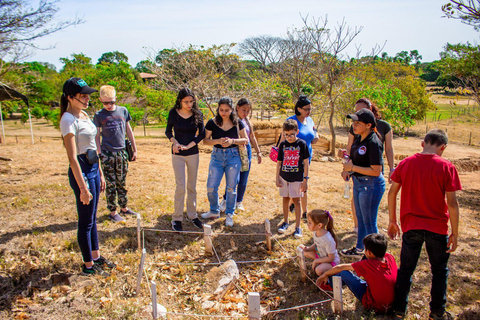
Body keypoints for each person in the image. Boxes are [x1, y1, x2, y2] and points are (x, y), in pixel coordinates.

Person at [387, 129, 461, 320]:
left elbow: (392, 192)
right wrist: (455, 232)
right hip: (438, 228)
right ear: (443, 148)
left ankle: (399, 310)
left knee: (406, 270)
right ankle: (437, 313)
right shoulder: (447, 167)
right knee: (439, 271)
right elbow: (452, 203)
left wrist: (393, 221)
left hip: (411, 226)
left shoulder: (406, 163)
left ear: (422, 143)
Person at [59, 77, 115, 276]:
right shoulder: (67, 120)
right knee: (85, 222)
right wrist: (83, 188)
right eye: (83, 96)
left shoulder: (83, 114)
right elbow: (73, 158)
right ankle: (88, 265)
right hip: (80, 170)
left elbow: (93, 146)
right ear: (70, 97)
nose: (87, 99)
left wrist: (99, 172)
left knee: (92, 218)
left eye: (88, 95)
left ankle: (96, 256)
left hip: (92, 167)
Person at [340, 98, 395, 233]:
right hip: (358, 170)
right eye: (356, 111)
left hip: (373, 169)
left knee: (369, 208)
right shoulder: (356, 127)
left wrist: (392, 168)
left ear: (370, 110)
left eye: (361, 110)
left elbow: (389, 149)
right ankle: (358, 227)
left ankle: (369, 235)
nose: (358, 114)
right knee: (357, 199)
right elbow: (350, 147)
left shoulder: (384, 126)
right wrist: (346, 166)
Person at [340, 108, 386, 258]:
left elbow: (376, 170)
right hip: (359, 182)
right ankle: (360, 248)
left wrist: (352, 167)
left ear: (368, 125)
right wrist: (346, 158)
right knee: (361, 218)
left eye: (358, 123)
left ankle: (377, 255)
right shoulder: (359, 138)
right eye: (353, 122)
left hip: (371, 185)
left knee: (370, 221)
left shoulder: (373, 142)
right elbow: (358, 159)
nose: (354, 125)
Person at [317, 233, 397, 314]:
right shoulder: (390, 258)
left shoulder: (368, 264)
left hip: (373, 306)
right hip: (393, 305)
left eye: (364, 249)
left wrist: (325, 274)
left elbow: (340, 267)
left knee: (344, 273)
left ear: (369, 252)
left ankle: (328, 285)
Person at [201, 97, 248, 227]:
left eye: (227, 110)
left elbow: (245, 140)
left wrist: (232, 141)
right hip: (217, 156)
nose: (223, 112)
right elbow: (205, 140)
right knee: (211, 186)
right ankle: (214, 210)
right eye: (221, 110)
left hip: (233, 156)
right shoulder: (212, 122)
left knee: (231, 188)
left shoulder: (237, 122)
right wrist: (218, 141)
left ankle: (229, 214)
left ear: (232, 110)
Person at [94, 85, 138, 224]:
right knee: (111, 183)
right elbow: (96, 135)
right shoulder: (98, 115)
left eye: (112, 102)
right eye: (105, 102)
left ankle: (124, 208)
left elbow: (129, 130)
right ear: (100, 100)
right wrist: (100, 152)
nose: (109, 105)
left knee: (122, 182)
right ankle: (113, 211)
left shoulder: (123, 111)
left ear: (116, 99)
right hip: (107, 153)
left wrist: (134, 149)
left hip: (122, 152)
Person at [165, 88, 205, 232]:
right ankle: (176, 218)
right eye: (186, 102)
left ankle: (192, 215)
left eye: (191, 101)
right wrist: (175, 143)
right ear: (180, 101)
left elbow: (202, 134)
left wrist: (190, 145)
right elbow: (168, 131)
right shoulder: (173, 113)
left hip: (193, 153)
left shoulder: (197, 114)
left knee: (192, 186)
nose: (189, 104)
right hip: (178, 154)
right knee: (180, 186)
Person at [219, 98, 262, 212]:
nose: (246, 113)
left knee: (244, 178)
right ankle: (225, 200)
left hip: (246, 150)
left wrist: (258, 152)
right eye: (244, 110)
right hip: (234, 150)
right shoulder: (231, 119)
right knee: (234, 179)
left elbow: (251, 137)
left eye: (248, 110)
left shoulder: (247, 120)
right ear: (237, 107)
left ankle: (239, 201)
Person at [276, 119, 310, 238]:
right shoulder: (283, 145)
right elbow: (279, 162)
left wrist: (305, 179)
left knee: (297, 201)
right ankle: (285, 222)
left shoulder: (302, 144)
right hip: (284, 177)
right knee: (285, 199)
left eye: (292, 134)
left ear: (297, 131)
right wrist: (277, 177)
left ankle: (298, 227)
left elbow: (306, 163)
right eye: (286, 135)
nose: (289, 137)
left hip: (297, 178)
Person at [287, 95, 319, 219]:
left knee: (303, 183)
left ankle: (298, 206)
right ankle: (303, 211)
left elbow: (314, 132)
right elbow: (285, 138)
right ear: (299, 109)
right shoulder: (291, 120)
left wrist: (316, 136)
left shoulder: (310, 120)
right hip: (293, 158)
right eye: (306, 109)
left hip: (307, 157)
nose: (309, 112)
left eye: (310, 109)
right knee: (297, 183)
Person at [299, 209, 340, 288]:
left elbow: (331, 258)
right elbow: (317, 245)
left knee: (318, 270)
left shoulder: (328, 239)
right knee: (305, 252)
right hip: (321, 257)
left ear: (319, 225)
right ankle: (322, 266)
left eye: (310, 223)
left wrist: (317, 260)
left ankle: (328, 279)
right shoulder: (316, 232)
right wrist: (307, 248)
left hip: (332, 262)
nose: (308, 224)